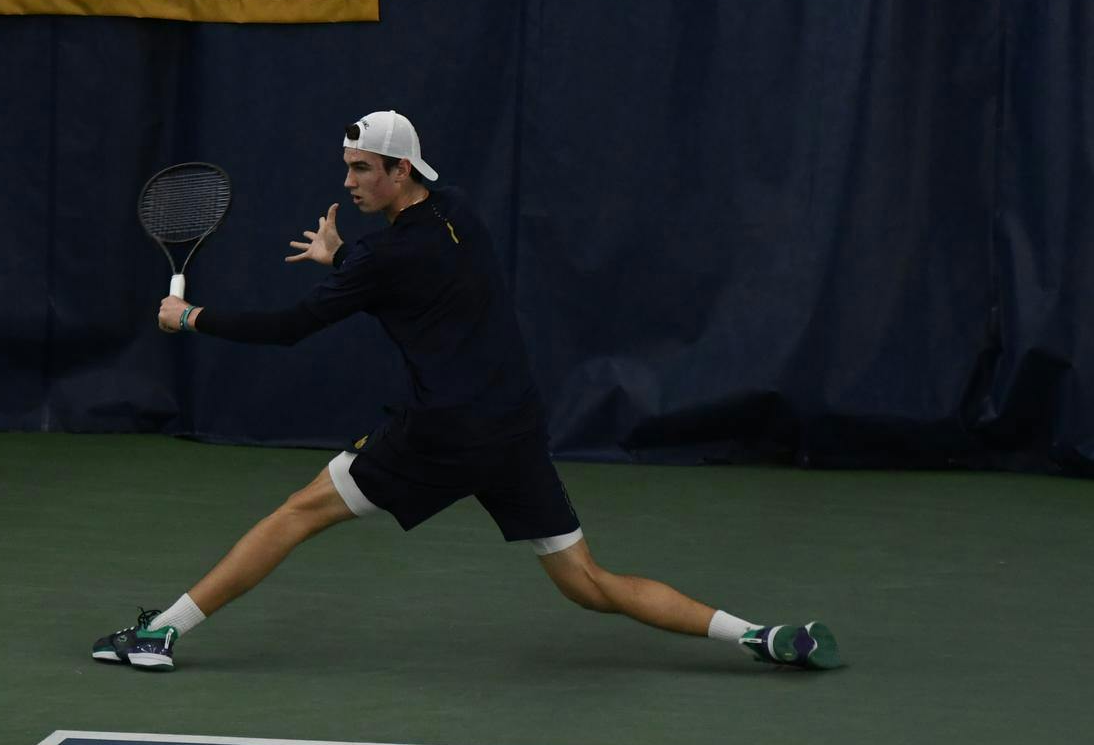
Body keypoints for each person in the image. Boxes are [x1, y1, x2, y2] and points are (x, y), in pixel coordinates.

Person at [93, 111, 842, 673]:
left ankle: (159, 634)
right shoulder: (460, 214)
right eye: (347, 167)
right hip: (512, 430)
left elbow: (291, 328)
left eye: (362, 169)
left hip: (442, 434)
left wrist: (190, 316)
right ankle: (760, 636)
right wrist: (345, 256)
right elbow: (411, 277)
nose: (349, 181)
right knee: (587, 582)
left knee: (295, 513)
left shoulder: (383, 254)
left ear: (400, 170)